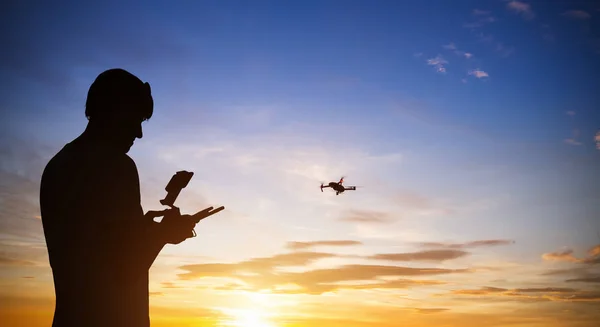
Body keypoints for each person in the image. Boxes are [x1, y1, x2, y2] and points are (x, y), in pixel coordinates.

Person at [39, 68, 214, 327]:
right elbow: (125, 268)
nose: (139, 133)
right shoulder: (116, 166)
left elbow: (92, 246)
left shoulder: (58, 165)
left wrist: (142, 228)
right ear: (114, 110)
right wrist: (164, 234)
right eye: (136, 120)